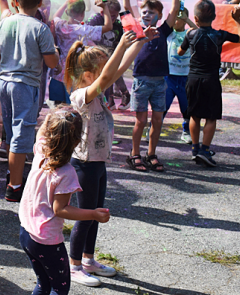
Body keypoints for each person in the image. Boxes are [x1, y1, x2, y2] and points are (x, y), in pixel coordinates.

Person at [65, 30, 152, 287]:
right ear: (89, 76)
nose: (108, 76)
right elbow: (106, 75)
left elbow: (121, 66)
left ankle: (88, 259)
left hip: (98, 163)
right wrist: (122, 43)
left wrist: (138, 43)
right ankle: (74, 266)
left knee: (97, 212)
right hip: (84, 164)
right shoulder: (81, 96)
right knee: (87, 215)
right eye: (101, 72)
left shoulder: (97, 88)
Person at [18, 108, 110, 295]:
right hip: (46, 241)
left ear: (49, 131)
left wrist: (54, 116)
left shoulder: (41, 151)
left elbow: (42, 132)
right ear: (77, 142)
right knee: (59, 289)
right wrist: (92, 214)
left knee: (43, 283)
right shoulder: (66, 172)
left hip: (26, 233)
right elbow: (60, 209)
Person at [0, 0, 60, 202]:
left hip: (4, 82)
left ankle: (14, 172)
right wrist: (55, 52)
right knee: (21, 134)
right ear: (39, 3)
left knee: (11, 130)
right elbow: (51, 62)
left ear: (15, 2)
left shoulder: (4, 23)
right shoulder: (40, 28)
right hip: (25, 84)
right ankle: (15, 186)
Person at [120, 0, 181, 172]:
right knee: (141, 120)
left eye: (151, 12)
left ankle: (151, 153)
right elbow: (127, 8)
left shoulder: (164, 30)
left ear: (159, 16)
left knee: (156, 119)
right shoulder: (136, 30)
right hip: (142, 82)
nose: (146, 14)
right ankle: (134, 154)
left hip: (159, 82)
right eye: (144, 11)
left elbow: (174, 9)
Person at [178, 0, 240, 166]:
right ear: (214, 17)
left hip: (193, 79)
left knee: (194, 115)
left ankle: (195, 149)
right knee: (210, 117)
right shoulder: (219, 35)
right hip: (211, 80)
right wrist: (237, 20)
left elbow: (180, 52)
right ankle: (205, 150)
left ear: (195, 18)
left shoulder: (190, 34)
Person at [52, 0, 112, 105]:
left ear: (67, 12)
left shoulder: (60, 26)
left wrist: (67, 2)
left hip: (58, 75)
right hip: (76, 76)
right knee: (76, 107)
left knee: (59, 108)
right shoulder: (84, 30)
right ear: (83, 14)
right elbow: (108, 26)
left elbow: (56, 16)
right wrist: (105, 7)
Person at [86, 0, 130, 110]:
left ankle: (124, 94)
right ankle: (110, 98)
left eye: (115, 15)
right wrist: (98, 51)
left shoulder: (118, 25)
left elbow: (120, 41)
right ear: (102, 12)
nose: (114, 18)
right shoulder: (95, 20)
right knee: (103, 75)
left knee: (113, 70)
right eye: (111, 15)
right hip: (97, 55)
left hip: (112, 54)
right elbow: (86, 37)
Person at [165, 8, 197, 144]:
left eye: (180, 18)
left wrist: (187, 20)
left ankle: (186, 131)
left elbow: (200, 32)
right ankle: (153, 128)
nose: (177, 20)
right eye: (175, 18)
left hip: (185, 77)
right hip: (169, 77)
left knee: (187, 108)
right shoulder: (169, 34)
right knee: (162, 106)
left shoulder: (190, 33)